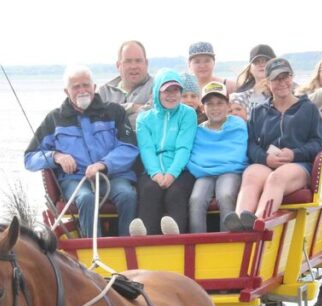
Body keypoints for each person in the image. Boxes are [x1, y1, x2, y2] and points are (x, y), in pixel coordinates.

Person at [25, 65, 139, 238]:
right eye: (76, 87)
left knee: (128, 195)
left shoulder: (114, 112)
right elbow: (30, 158)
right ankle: (93, 249)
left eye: (86, 85)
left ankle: (126, 245)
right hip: (75, 180)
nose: (82, 90)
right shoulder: (54, 119)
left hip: (113, 176)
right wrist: (56, 156)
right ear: (66, 91)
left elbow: (129, 148)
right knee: (86, 199)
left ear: (94, 87)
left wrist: (104, 165)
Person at [227, 58, 322, 231]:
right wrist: (265, 158)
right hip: (268, 162)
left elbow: (318, 143)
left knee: (276, 178)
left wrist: (295, 154)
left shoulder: (308, 108)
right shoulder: (258, 111)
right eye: (276, 79)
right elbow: (250, 144)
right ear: (268, 83)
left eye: (285, 77)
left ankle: (258, 222)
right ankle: (239, 222)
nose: (282, 83)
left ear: (291, 77)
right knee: (251, 174)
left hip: (298, 165)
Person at [131, 69, 198, 236]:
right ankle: (145, 237)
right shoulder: (144, 119)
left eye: (175, 90)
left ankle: (175, 235)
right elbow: (146, 149)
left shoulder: (188, 114)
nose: (171, 95)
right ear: (157, 92)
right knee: (149, 190)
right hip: (152, 171)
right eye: (166, 90)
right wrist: (156, 174)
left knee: (175, 193)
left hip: (180, 170)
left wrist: (171, 174)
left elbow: (184, 147)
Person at [186, 82, 248, 233]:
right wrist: (210, 166)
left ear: (228, 106)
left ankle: (228, 240)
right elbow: (195, 158)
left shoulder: (237, 125)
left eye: (220, 103)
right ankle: (197, 242)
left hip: (230, 172)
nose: (215, 108)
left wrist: (212, 163)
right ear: (203, 107)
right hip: (204, 174)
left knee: (225, 195)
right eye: (210, 104)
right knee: (196, 199)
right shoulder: (198, 130)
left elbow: (236, 154)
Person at [98, 40, 154, 125]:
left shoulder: (157, 87)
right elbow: (93, 117)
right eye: (128, 61)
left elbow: (152, 116)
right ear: (118, 65)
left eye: (138, 61)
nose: (133, 66)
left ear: (146, 63)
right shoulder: (104, 91)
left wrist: (110, 115)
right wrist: (132, 107)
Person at [231, 44, 276, 115]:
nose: (261, 64)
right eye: (256, 61)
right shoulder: (240, 96)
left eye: (266, 60)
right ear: (250, 68)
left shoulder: (289, 88)